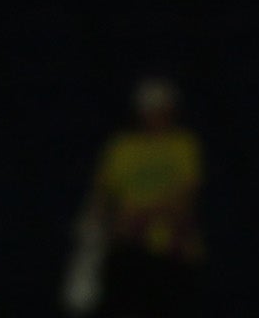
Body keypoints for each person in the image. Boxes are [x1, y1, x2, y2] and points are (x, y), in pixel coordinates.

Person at [73, 79, 203, 316]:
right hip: (126, 255)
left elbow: (185, 200)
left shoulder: (183, 144)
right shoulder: (120, 147)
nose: (156, 114)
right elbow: (100, 199)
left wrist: (137, 217)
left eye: (162, 107)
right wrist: (100, 232)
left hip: (171, 253)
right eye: (150, 107)